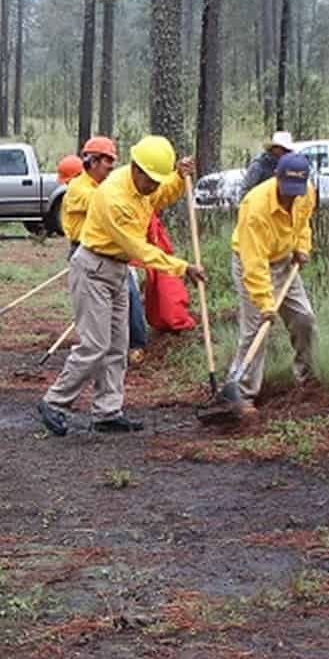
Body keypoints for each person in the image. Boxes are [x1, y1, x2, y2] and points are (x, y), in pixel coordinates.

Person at [39, 136, 203, 435]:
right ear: (137, 170)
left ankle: (107, 411)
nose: (154, 187)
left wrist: (178, 178)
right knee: (95, 345)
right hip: (93, 269)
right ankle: (54, 402)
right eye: (151, 180)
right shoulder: (115, 197)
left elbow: (160, 195)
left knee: (117, 345)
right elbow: (139, 249)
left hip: (116, 270)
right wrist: (183, 267)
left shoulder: (142, 186)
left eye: (157, 181)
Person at [228, 151, 317, 406]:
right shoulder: (255, 208)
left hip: (285, 261)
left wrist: (302, 247)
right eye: (287, 188)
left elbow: (303, 223)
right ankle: (241, 393)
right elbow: (254, 265)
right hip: (253, 262)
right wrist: (266, 305)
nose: (291, 195)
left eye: (296, 190)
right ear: (276, 177)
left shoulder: (306, 192)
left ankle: (307, 378)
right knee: (256, 329)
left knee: (304, 319)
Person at [60, 137, 148, 362]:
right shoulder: (79, 189)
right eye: (108, 161)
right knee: (108, 305)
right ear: (93, 161)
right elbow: (109, 204)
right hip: (88, 255)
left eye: (113, 161)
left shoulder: (101, 186)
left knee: (129, 295)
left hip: (110, 253)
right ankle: (100, 351)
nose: (111, 167)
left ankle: (131, 346)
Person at [237, 131, 297, 202]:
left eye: (288, 151)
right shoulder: (259, 165)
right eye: (284, 150)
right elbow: (245, 191)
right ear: (275, 148)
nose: (286, 153)